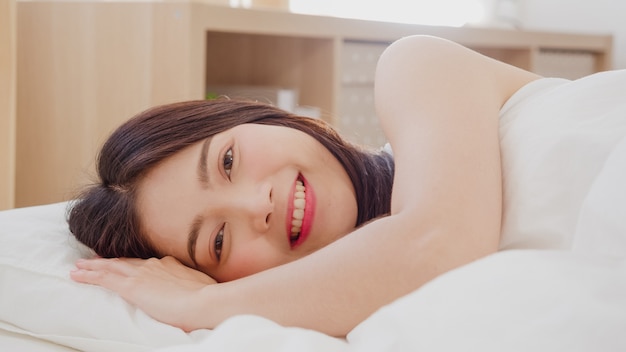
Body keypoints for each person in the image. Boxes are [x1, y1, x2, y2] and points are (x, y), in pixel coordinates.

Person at [68, 35, 541, 336]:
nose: (258, 205)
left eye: (228, 161)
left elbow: (437, 246)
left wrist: (200, 303)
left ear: (257, 116)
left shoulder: (415, 68)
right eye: (217, 240)